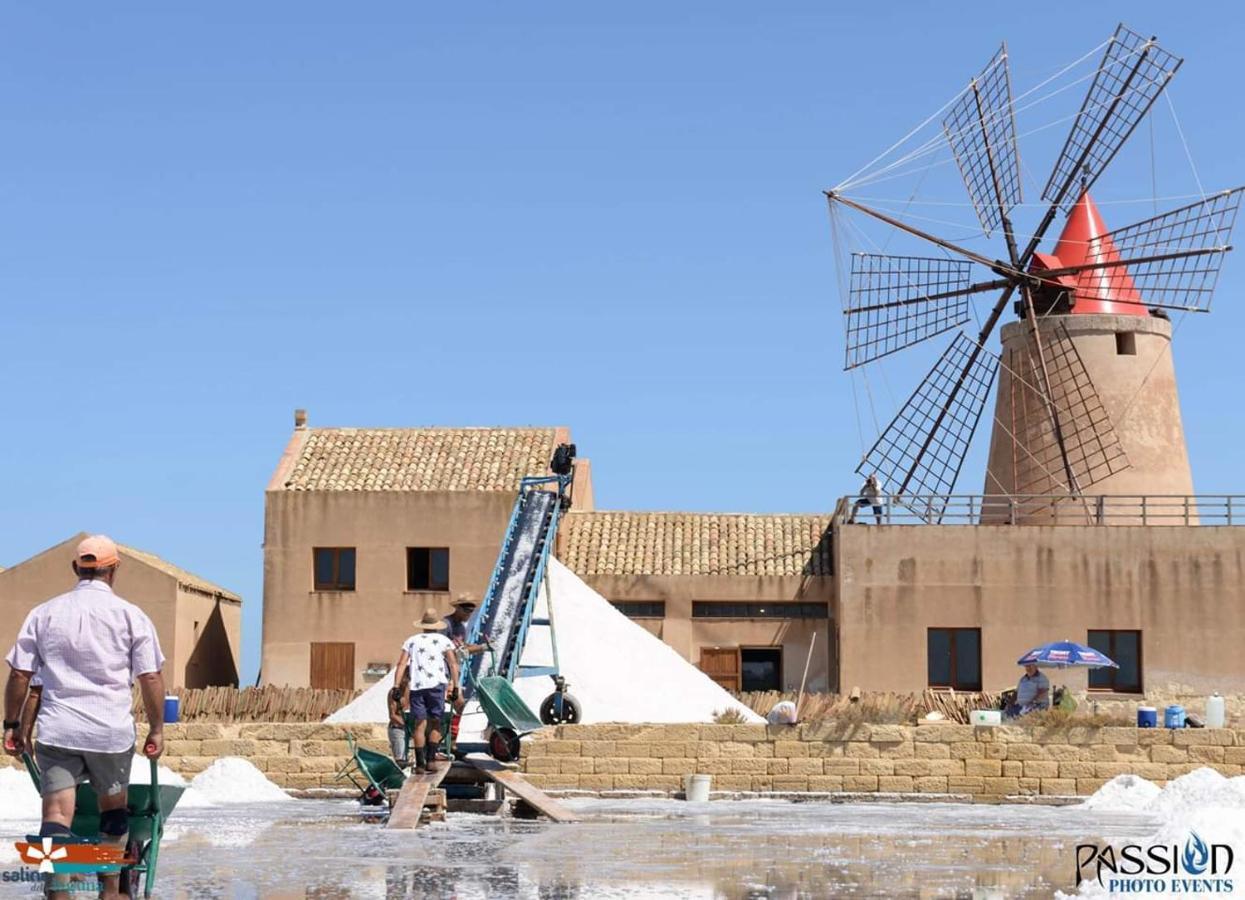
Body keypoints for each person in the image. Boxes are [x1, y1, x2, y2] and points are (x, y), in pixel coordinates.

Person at [3, 535, 166, 900]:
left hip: (59, 730)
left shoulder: (44, 613)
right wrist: (156, 728)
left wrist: (11, 726)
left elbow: (19, 675)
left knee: (57, 814)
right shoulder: (130, 615)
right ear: (115, 569)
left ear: (76, 568)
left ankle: (59, 892)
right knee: (114, 811)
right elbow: (151, 677)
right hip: (110, 732)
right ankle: (109, 891)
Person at [392, 609, 459, 774]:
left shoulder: (411, 641)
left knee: (419, 724)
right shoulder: (443, 640)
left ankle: (420, 764)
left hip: (417, 686)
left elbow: (401, 664)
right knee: (436, 722)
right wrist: (456, 685)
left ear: (422, 625)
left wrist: (396, 685)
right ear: (437, 626)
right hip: (437, 685)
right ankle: (431, 760)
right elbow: (453, 664)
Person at [386, 665, 411, 768]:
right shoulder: (394, 693)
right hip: (397, 728)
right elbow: (392, 715)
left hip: (408, 729)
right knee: (400, 760)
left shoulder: (410, 691)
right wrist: (406, 725)